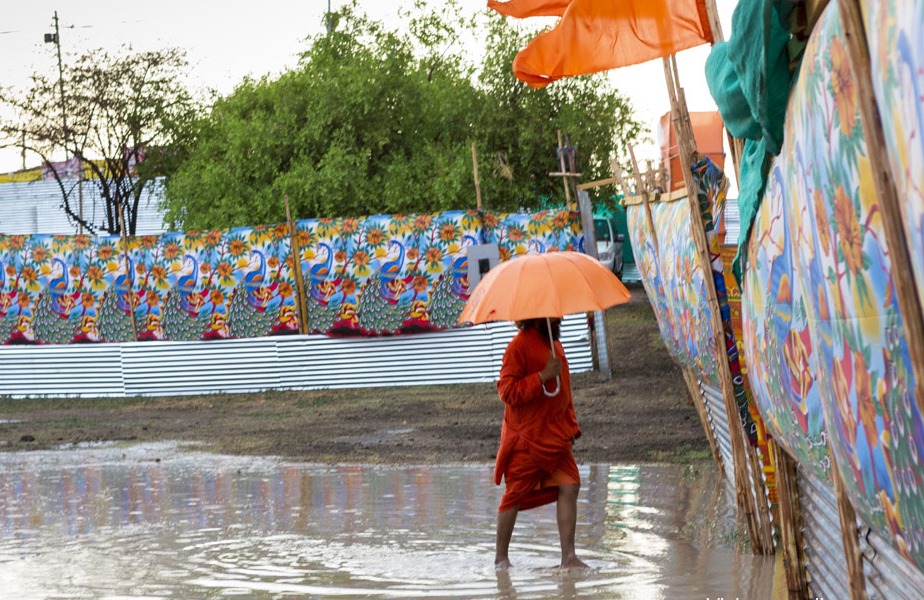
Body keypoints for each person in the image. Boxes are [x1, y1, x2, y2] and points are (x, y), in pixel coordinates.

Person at [493, 317, 587, 570]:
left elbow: (564, 393)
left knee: (571, 485)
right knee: (514, 496)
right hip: (528, 438)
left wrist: (569, 430)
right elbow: (507, 392)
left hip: (556, 437)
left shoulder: (555, 344)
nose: (560, 317)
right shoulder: (518, 346)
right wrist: (543, 375)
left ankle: (568, 558)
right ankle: (501, 559)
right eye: (554, 314)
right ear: (535, 316)